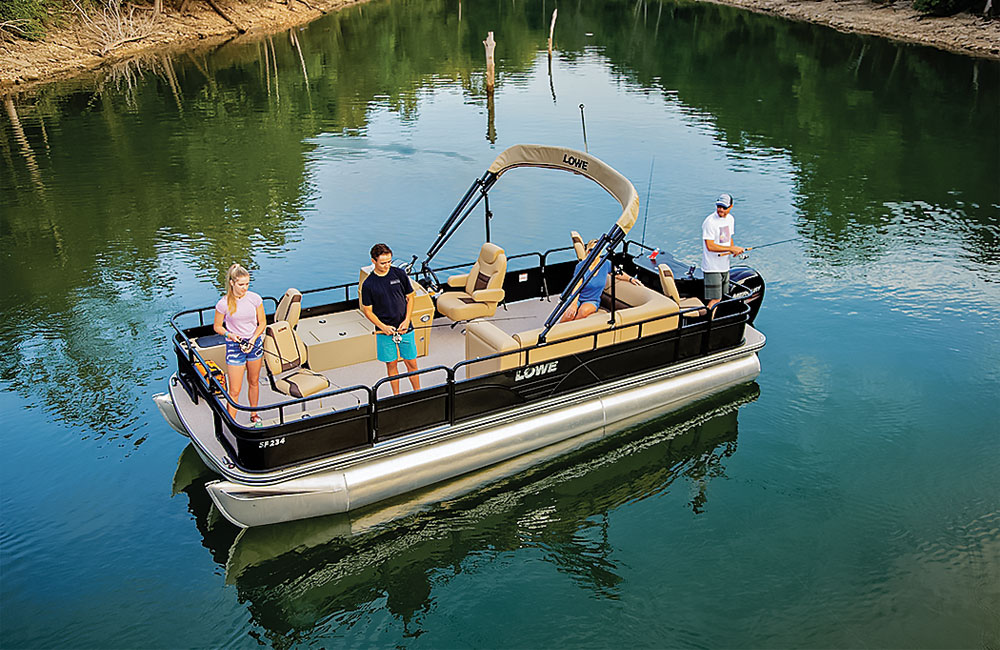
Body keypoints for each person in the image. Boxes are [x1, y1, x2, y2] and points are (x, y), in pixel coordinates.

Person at [360, 243, 421, 395]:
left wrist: (407, 320)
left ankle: (418, 392)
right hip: (384, 332)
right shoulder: (369, 284)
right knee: (392, 365)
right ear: (373, 261)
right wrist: (383, 327)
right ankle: (396, 396)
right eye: (383, 263)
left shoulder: (399, 274)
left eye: (389, 261)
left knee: (411, 363)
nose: (387, 265)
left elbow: (410, 298)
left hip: (405, 328)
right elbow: (367, 311)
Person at [213, 263, 267, 425]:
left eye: (247, 284)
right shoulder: (223, 304)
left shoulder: (255, 299)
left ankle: (254, 414)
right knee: (234, 390)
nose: (245, 288)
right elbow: (217, 327)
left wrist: (252, 339)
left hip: (254, 344)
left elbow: (262, 323)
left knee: (253, 381)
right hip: (234, 347)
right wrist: (230, 334)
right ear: (232, 283)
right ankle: (231, 422)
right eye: (241, 284)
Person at [561, 239, 640, 322]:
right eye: (591, 250)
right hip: (576, 297)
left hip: (592, 300)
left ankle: (572, 332)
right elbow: (576, 286)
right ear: (587, 251)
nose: (593, 252)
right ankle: (556, 332)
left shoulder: (606, 264)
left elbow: (618, 273)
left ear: (600, 251)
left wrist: (630, 279)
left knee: (583, 312)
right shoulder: (581, 266)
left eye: (597, 250)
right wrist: (573, 304)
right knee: (568, 314)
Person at [701, 193, 744, 311]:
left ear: (731, 207)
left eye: (724, 207)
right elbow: (710, 246)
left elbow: (728, 238)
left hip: (725, 266)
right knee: (715, 299)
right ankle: (707, 323)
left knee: (722, 296)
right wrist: (731, 249)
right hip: (712, 267)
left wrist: (733, 249)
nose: (721, 210)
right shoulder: (710, 222)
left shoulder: (730, 219)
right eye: (719, 206)